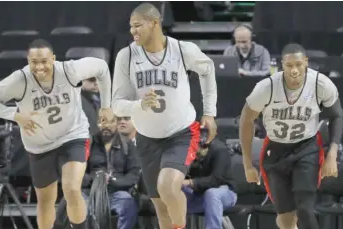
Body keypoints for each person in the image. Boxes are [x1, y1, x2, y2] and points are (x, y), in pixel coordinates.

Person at [0, 39, 113, 229]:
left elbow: (101, 67)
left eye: (44, 61)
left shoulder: (69, 70)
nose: (39, 67)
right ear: (28, 61)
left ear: (54, 59)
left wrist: (106, 106)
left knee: (72, 189)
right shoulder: (20, 80)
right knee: (45, 200)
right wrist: (15, 115)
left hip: (72, 136)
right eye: (34, 62)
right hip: (40, 146)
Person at [111, 3, 218, 229]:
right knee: (160, 206)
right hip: (147, 138)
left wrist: (209, 111)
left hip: (181, 132)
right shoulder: (126, 56)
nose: (133, 32)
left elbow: (208, 70)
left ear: (155, 23)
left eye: (138, 25)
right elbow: (117, 106)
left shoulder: (181, 50)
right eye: (131, 27)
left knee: (168, 186)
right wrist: (140, 104)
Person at [239, 43, 343, 229]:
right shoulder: (267, 87)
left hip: (307, 148)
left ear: (306, 62)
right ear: (282, 65)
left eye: (298, 64)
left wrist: (332, 154)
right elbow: (246, 120)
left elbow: (337, 115)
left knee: (304, 208)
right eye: (289, 66)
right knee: (286, 219)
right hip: (275, 150)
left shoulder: (321, 84)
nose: (294, 70)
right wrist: (247, 164)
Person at [89, 116, 141, 229]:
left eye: (111, 122)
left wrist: (114, 182)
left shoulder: (127, 145)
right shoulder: (89, 143)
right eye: (102, 121)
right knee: (78, 205)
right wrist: (96, 180)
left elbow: (134, 174)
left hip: (116, 191)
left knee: (128, 203)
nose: (106, 125)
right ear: (97, 123)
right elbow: (78, 173)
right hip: (90, 192)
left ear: (116, 124)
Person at [183, 137, 237, 229]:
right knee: (173, 192)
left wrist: (189, 182)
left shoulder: (220, 150)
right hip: (198, 196)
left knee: (211, 194)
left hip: (225, 193)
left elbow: (215, 180)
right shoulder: (187, 153)